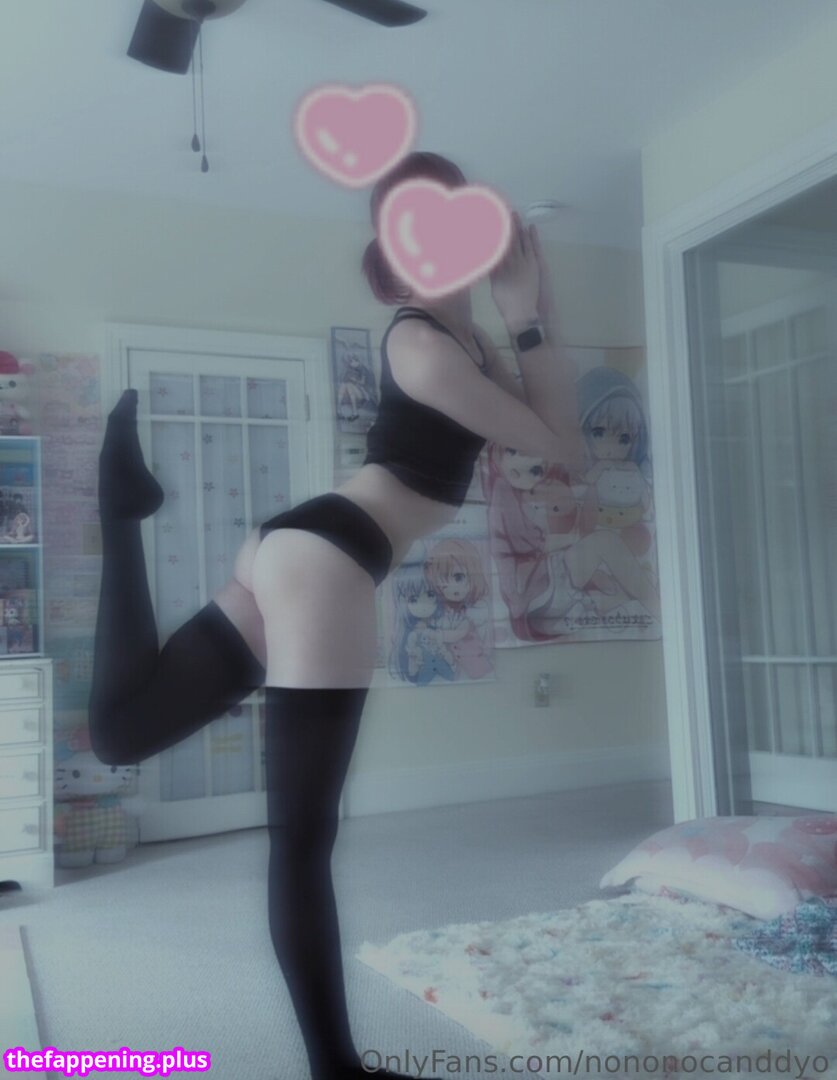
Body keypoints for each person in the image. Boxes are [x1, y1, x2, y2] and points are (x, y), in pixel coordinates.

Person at [88, 150, 583, 1080]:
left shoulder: (457, 340)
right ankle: (335, 1072)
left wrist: (517, 310)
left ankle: (122, 511)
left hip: (306, 546)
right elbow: (562, 445)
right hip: (327, 560)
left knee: (121, 733)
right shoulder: (426, 347)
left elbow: (551, 427)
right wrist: (526, 313)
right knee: (304, 838)